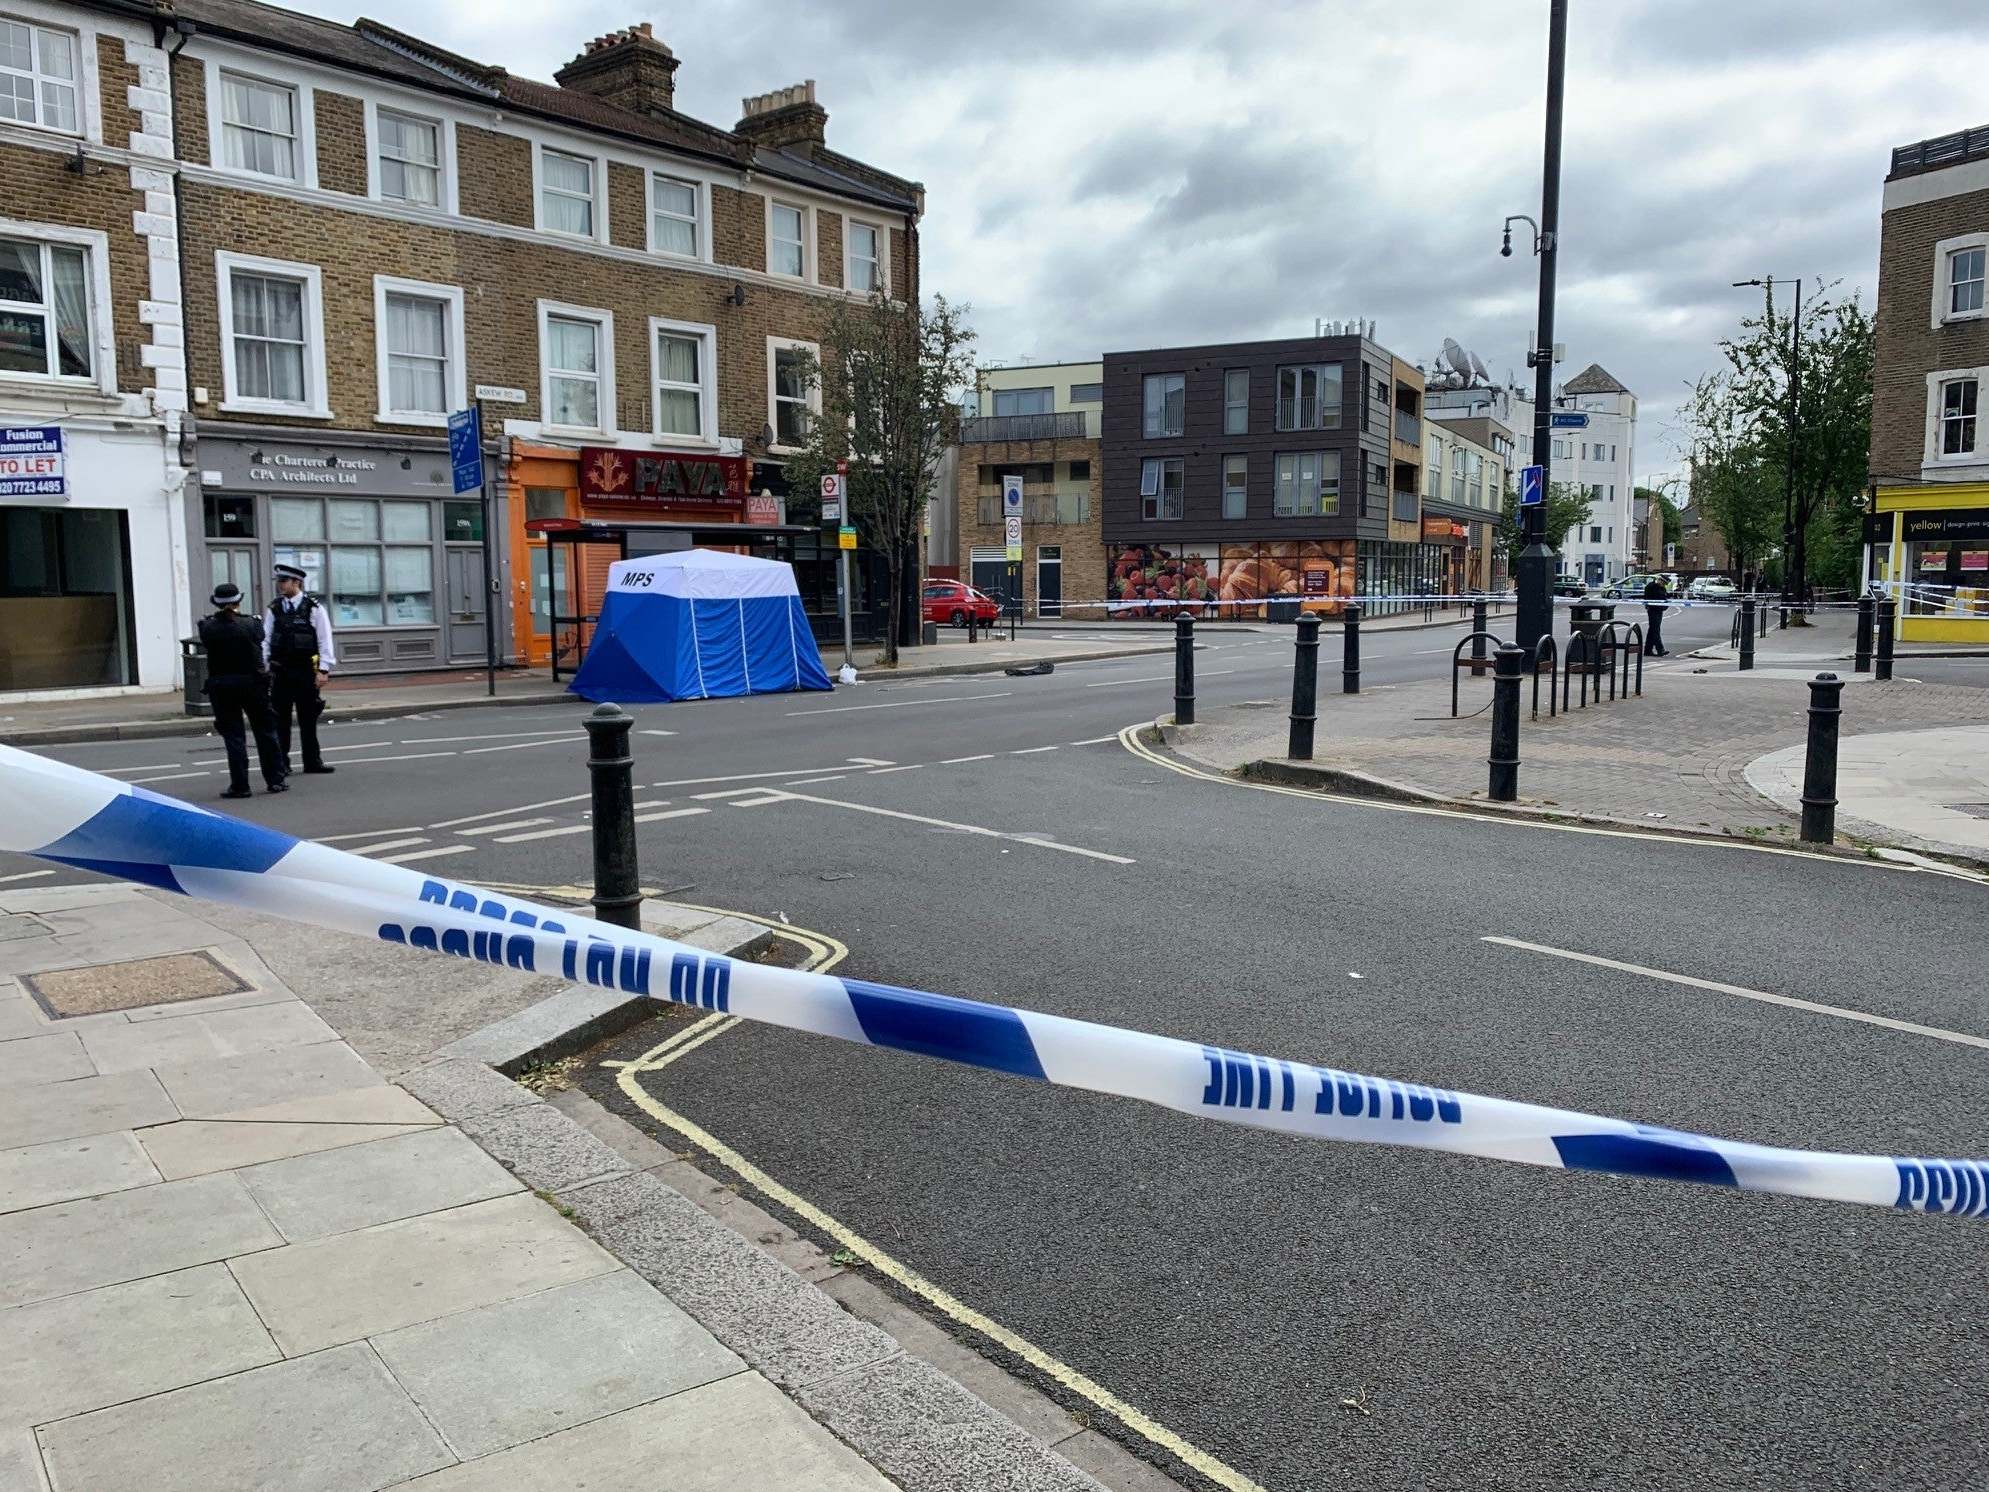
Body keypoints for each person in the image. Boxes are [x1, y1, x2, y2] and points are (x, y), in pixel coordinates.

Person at [198, 582, 288, 800]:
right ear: (238, 601)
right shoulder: (252, 623)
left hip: (223, 686)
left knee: (234, 736)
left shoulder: (207, 627)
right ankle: (275, 779)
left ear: (216, 603)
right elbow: (260, 639)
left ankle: (240, 785)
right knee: (265, 732)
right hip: (253, 684)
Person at [264, 563, 337, 775]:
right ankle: (282, 763)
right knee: (281, 720)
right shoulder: (274, 608)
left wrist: (323, 670)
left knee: (308, 719)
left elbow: (324, 640)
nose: (280, 585)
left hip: (305, 671)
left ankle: (312, 761)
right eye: (279, 581)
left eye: (284, 581)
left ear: (297, 582)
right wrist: (264, 667)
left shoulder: (313, 608)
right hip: (281, 672)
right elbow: (265, 639)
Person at [1642, 573, 1670, 657]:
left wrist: (1665, 606)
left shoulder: (1662, 588)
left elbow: (1664, 598)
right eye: (1663, 583)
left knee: (1652, 630)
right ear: (1659, 580)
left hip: (1659, 610)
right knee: (1655, 630)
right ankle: (1660, 649)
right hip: (1653, 610)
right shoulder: (1650, 586)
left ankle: (1648, 650)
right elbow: (1647, 598)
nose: (1663, 585)